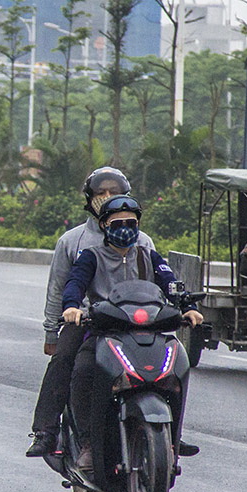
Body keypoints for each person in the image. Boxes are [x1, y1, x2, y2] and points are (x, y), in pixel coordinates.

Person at [62, 195, 204, 471]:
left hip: (146, 331)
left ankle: (172, 436)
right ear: (103, 226)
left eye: (131, 222)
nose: (125, 228)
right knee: (82, 372)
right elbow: (74, 284)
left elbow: (170, 283)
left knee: (175, 369)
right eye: (117, 223)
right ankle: (88, 443)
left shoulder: (148, 255)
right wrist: (72, 308)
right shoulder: (90, 257)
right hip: (106, 333)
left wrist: (189, 307)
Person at [25, 167, 157, 457]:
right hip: (88, 321)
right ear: (90, 199)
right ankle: (46, 432)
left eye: (114, 192)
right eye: (101, 193)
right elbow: (59, 289)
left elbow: (157, 284)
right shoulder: (73, 242)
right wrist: (53, 330)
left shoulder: (143, 242)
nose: (107, 197)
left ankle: (167, 431)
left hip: (134, 323)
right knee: (66, 362)